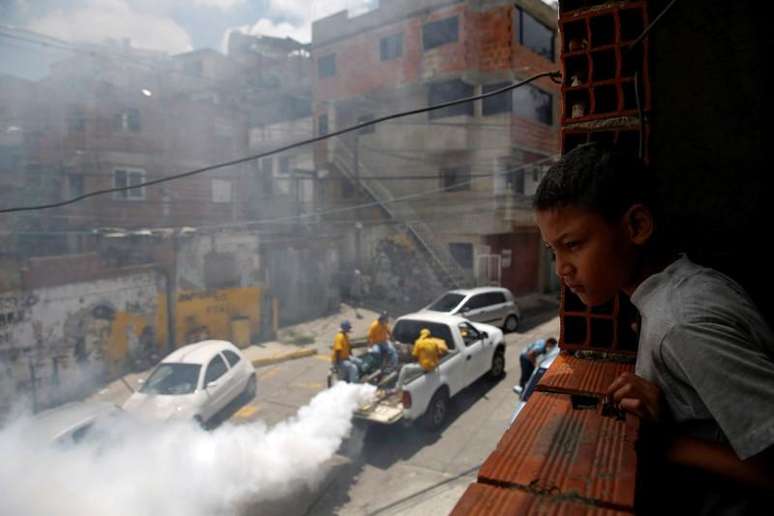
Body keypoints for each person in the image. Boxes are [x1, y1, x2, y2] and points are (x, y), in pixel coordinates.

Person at [534, 142, 774, 503]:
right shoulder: (680, 288)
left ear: (636, 225)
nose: (561, 268)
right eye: (554, 250)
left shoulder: (680, 325)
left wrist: (665, 443)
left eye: (573, 244)